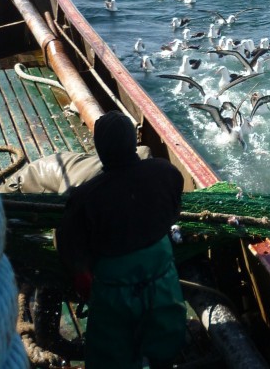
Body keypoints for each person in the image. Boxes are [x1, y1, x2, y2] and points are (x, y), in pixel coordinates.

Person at [56, 111, 186, 368]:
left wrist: (82, 274)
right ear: (132, 143)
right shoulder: (166, 172)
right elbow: (173, 210)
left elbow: (69, 246)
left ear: (100, 149)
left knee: (112, 356)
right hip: (162, 282)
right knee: (166, 344)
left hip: (115, 294)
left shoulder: (85, 197)